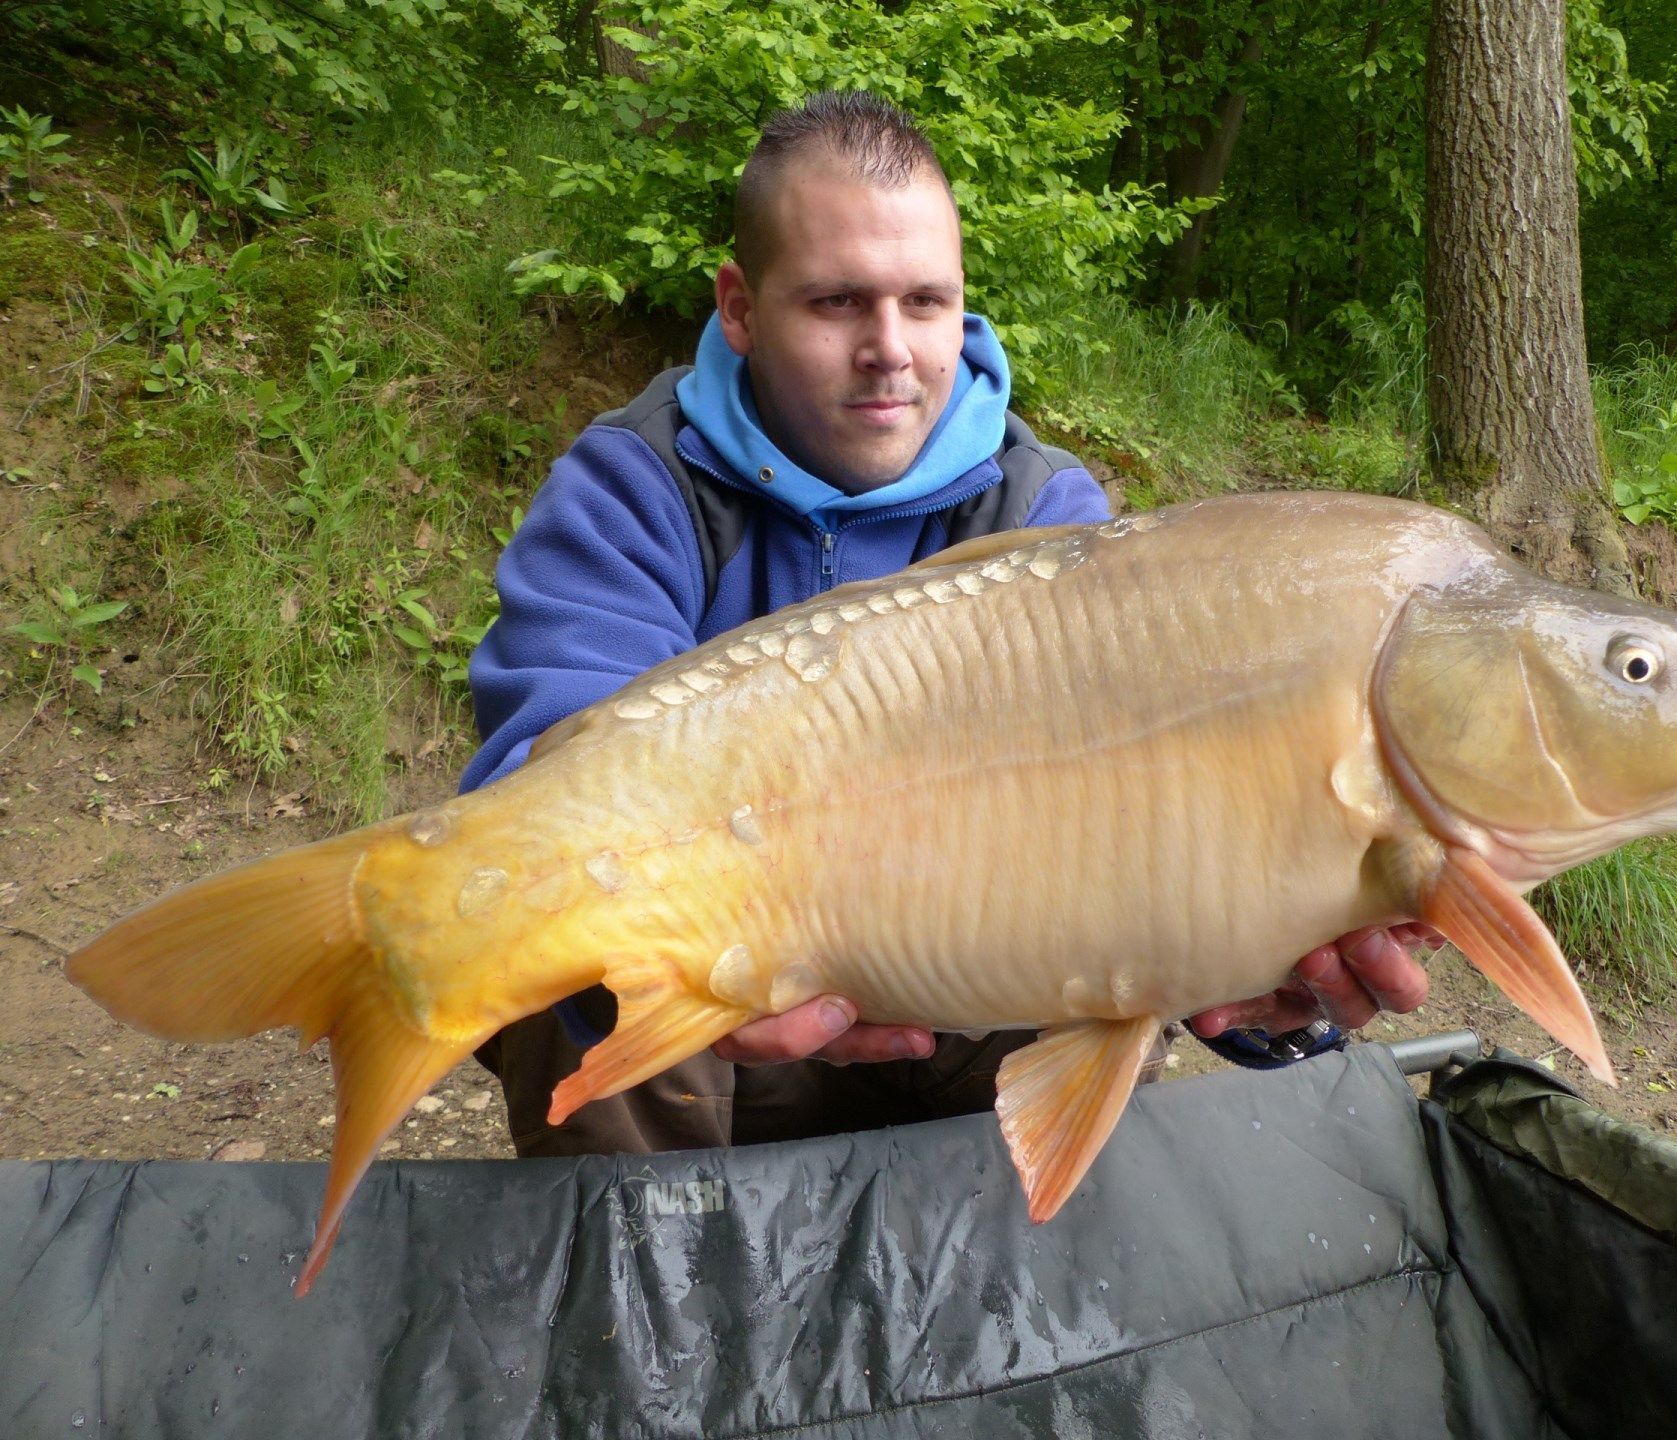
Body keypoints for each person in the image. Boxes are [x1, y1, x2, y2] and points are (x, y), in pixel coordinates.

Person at [464, 90, 1434, 1159]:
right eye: (838, 303)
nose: (892, 348)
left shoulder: (1048, 514)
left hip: (961, 1014)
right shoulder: (636, 484)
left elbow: (1161, 841)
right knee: (546, 921)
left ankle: (990, 1294)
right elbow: (534, 785)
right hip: (722, 1027)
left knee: (1093, 941)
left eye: (926, 302)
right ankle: (649, 1292)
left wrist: (1263, 980)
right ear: (739, 309)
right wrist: (675, 987)